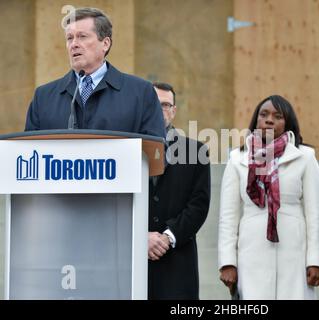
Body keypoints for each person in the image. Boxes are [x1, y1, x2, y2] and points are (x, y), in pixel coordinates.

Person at [218, 95, 319, 299]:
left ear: (288, 123)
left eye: (278, 116)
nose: (269, 120)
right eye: (264, 114)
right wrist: (227, 262)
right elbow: (228, 216)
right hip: (251, 254)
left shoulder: (305, 157)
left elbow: (315, 214)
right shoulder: (237, 158)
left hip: (294, 254)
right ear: (256, 121)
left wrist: (315, 261)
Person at [24, 7, 166, 139]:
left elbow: (157, 152)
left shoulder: (141, 92)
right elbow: (28, 153)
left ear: (105, 43)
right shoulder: (43, 97)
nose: (74, 44)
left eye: (82, 36)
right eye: (69, 38)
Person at [147, 82, 210, 299]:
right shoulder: (125, 149)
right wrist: (141, 238)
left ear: (173, 111)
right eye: (154, 104)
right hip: (134, 263)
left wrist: (167, 237)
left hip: (177, 263)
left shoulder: (197, 152)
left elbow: (199, 205)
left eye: (165, 105)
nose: (159, 109)